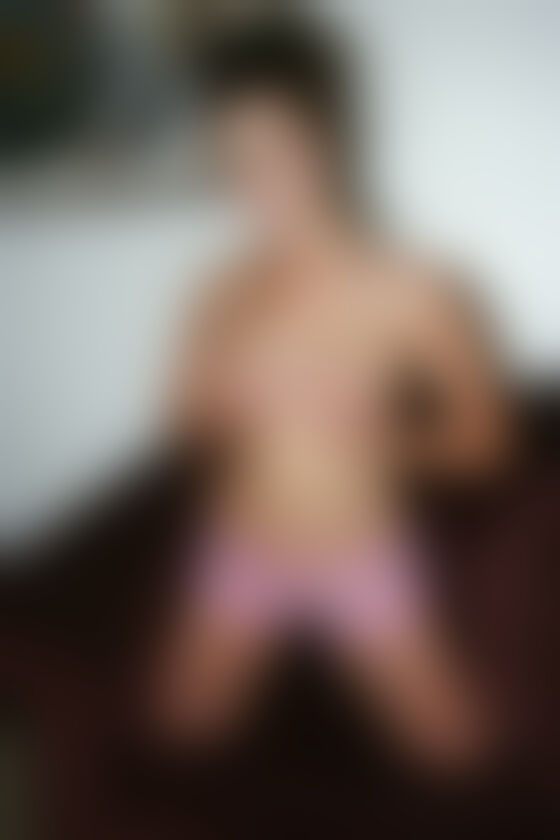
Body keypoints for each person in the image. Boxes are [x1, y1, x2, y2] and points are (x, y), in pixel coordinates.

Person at [150, 18, 511, 774]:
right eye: (233, 158)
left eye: (275, 151)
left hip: (360, 560)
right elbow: (186, 432)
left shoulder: (413, 288)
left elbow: (486, 445)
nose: (255, 182)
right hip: (241, 554)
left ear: (328, 141)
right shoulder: (220, 289)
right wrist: (216, 408)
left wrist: (381, 434)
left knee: (465, 762)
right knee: (172, 745)